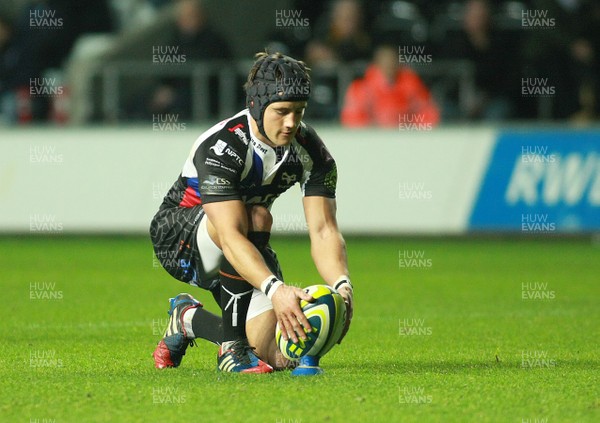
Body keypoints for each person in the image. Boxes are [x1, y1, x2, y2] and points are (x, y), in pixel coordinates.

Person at [150, 51, 354, 374]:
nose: (291, 122)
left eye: (299, 112)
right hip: (180, 238)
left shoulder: (311, 151)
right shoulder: (224, 145)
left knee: (279, 355)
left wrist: (343, 286)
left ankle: (187, 318)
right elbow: (229, 234)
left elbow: (324, 229)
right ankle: (230, 350)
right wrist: (275, 289)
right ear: (258, 107)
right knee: (256, 215)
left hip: (243, 244)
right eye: (282, 111)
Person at [340, 44, 440, 128]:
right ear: (377, 63)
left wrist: (409, 127)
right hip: (372, 139)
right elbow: (350, 118)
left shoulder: (411, 85)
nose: (389, 64)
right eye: (385, 60)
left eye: (392, 60)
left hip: (405, 138)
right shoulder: (361, 88)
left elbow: (429, 114)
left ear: (398, 62)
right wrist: (372, 128)